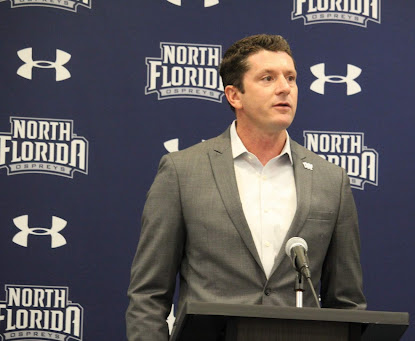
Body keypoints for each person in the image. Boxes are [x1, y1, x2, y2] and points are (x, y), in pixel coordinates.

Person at [126, 34, 366, 340]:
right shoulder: (182, 171)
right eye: (267, 78)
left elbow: (347, 303)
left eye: (291, 78)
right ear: (234, 96)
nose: (284, 88)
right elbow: (148, 294)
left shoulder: (331, 179)